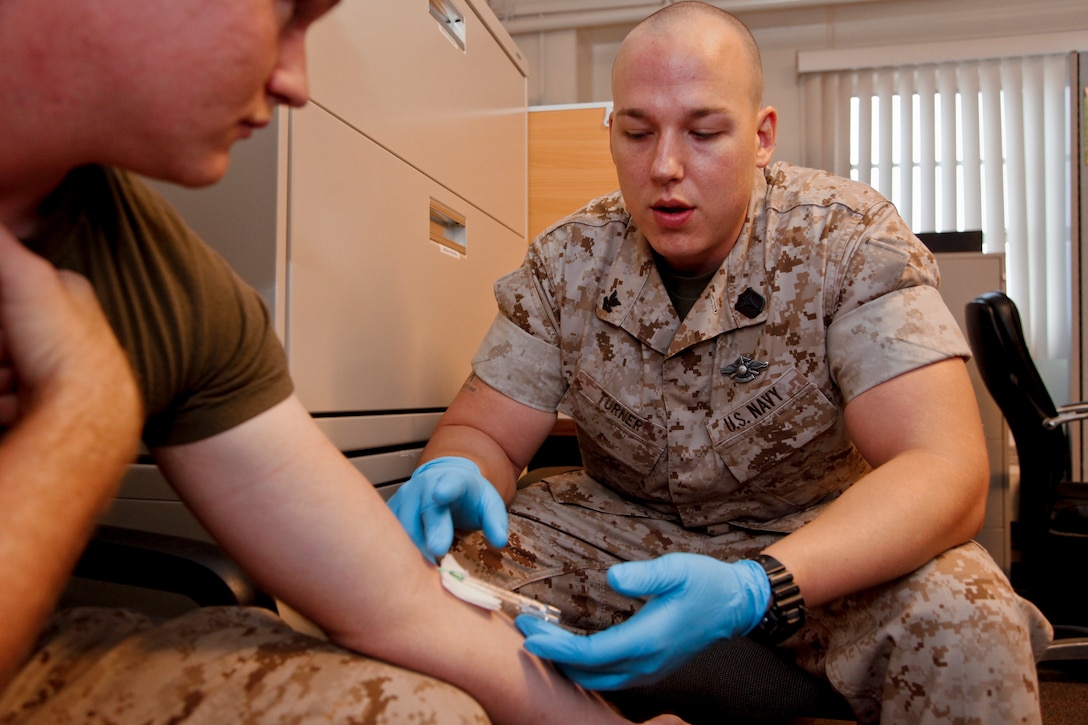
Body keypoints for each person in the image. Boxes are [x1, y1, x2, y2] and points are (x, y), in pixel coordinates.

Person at [0, 1, 687, 723]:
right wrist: (86, 414)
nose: (297, 79)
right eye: (284, 14)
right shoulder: (571, 257)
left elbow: (398, 604)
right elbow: (485, 430)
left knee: (429, 708)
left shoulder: (156, 280)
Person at [388, 2, 1054, 722]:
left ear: (762, 136)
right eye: (637, 132)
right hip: (619, 534)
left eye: (704, 132)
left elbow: (943, 469)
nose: (666, 167)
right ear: (610, 132)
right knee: (420, 576)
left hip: (810, 541)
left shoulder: (849, 240)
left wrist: (757, 587)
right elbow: (483, 434)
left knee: (969, 613)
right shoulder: (567, 259)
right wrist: (453, 470)